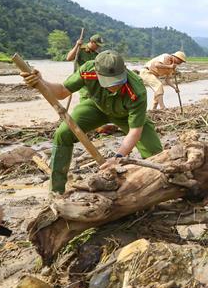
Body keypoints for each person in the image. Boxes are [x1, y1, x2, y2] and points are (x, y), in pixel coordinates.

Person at [21, 50, 163, 194]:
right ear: (97, 73)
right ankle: (56, 191)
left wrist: (118, 157)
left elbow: (135, 131)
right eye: (109, 82)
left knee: (155, 153)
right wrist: (40, 82)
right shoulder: (88, 71)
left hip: (125, 116)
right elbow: (62, 92)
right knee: (63, 133)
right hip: (97, 107)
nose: (114, 86)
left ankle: (154, 189)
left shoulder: (136, 90)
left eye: (118, 81)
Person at [65, 33, 105, 101]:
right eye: (97, 45)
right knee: (86, 96)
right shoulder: (80, 50)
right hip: (82, 79)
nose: (98, 47)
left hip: (93, 79)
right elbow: (69, 58)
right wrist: (77, 45)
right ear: (92, 42)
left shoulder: (96, 55)